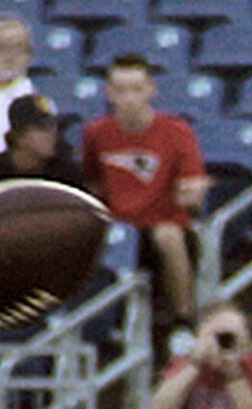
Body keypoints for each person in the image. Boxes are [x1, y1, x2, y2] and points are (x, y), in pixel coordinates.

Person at [82, 55, 210, 335]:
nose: (129, 98)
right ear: (109, 93)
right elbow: (93, 182)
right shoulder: (96, 133)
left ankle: (184, 318)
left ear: (151, 90)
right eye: (120, 90)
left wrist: (191, 194)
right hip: (118, 224)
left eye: (136, 89)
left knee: (168, 236)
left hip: (163, 224)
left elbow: (193, 183)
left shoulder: (176, 131)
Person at [0, 94, 87, 190]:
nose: (52, 134)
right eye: (44, 128)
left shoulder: (67, 176)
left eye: (55, 127)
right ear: (19, 136)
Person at [0, 17, 35, 162]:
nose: (9, 56)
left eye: (17, 48)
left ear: (29, 56)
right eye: (1, 47)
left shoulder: (33, 102)